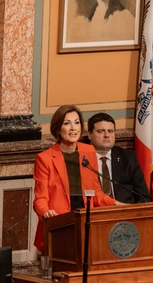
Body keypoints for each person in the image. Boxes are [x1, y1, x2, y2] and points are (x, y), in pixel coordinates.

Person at [32, 105, 118, 252]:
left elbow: (96, 193)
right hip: (60, 226)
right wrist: (46, 212)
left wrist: (116, 203)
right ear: (58, 129)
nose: (73, 128)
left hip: (86, 224)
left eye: (77, 122)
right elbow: (40, 198)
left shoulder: (89, 151)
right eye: (67, 123)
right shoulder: (45, 158)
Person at [86, 112, 151, 204]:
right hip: (95, 214)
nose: (107, 135)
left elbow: (144, 197)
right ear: (89, 135)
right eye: (101, 131)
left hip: (125, 213)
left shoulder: (128, 158)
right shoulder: (82, 159)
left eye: (110, 131)